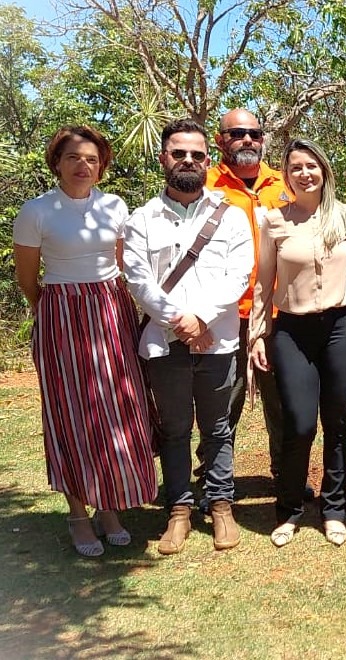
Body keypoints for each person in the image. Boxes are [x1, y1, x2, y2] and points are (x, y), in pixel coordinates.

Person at [12, 126, 157, 557]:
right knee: (70, 412)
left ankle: (108, 505)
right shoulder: (37, 211)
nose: (83, 165)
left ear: (102, 166)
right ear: (57, 162)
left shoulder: (114, 206)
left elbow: (121, 264)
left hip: (111, 310)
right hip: (61, 313)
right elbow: (27, 279)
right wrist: (55, 311)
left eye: (92, 159)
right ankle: (78, 512)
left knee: (116, 408)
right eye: (74, 157)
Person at [123, 118, 254, 555]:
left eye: (197, 155)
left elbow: (239, 275)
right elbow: (138, 279)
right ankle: (178, 509)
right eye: (179, 153)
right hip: (164, 343)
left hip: (218, 342)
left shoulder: (230, 217)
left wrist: (201, 318)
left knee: (217, 428)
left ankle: (220, 504)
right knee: (175, 429)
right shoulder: (142, 219)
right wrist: (180, 321)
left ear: (208, 160)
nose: (188, 161)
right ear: (164, 158)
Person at [249, 139, 346, 548]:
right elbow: (263, 282)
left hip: (340, 327)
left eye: (311, 165)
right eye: (296, 167)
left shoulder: (344, 215)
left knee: (338, 422)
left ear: (324, 170)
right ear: (286, 175)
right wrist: (258, 334)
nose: (304, 173)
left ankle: (334, 510)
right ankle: (290, 509)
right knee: (299, 424)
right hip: (291, 331)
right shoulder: (273, 221)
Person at [206, 108, 294, 502]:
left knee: (284, 402)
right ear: (220, 139)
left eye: (254, 134)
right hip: (225, 314)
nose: (247, 140)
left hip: (279, 314)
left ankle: (288, 476)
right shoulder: (206, 185)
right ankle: (214, 484)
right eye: (237, 133)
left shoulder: (284, 183)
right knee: (223, 403)